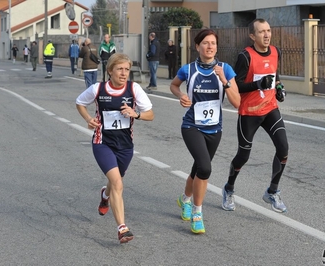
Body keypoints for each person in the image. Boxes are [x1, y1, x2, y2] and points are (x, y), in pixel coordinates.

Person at [76, 53, 154, 243]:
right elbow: (80, 103)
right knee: (118, 183)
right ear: (110, 70)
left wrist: (135, 114)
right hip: (102, 143)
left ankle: (105, 195)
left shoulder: (134, 89)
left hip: (125, 147)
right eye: (119, 69)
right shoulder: (98, 89)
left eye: (127, 69)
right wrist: (89, 119)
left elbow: (150, 114)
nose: (124, 73)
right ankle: (122, 228)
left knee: (115, 181)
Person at [170, 29, 240, 234]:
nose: (210, 47)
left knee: (199, 168)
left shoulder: (226, 69)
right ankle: (197, 213)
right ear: (198, 46)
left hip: (214, 129)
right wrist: (180, 95)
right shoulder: (188, 69)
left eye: (213, 43)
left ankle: (185, 200)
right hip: (192, 126)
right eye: (206, 43)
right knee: (205, 168)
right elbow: (174, 85)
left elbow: (237, 103)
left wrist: (225, 81)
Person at [221, 19, 289, 213]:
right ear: (252, 35)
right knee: (243, 155)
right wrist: (258, 85)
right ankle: (229, 188)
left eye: (268, 30)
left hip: (270, 109)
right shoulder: (245, 56)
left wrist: (278, 88)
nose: (266, 35)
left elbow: (275, 76)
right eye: (261, 32)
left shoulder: (276, 51)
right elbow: (238, 85)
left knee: (283, 148)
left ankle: (272, 191)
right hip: (249, 113)